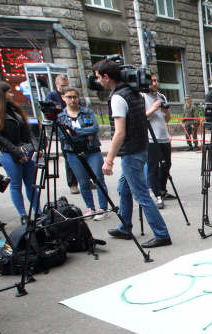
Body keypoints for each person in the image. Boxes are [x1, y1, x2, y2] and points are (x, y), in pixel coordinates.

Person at [93, 58, 171, 248]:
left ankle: (162, 234)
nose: (97, 82)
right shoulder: (134, 92)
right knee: (124, 189)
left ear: (106, 76)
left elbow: (120, 132)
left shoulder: (118, 97)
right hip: (140, 147)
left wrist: (109, 160)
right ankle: (125, 227)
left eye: (98, 78)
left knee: (141, 195)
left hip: (131, 152)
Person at [57, 87, 110, 220]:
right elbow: (62, 136)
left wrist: (74, 133)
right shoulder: (61, 117)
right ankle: (90, 208)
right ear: (63, 97)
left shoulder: (87, 112)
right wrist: (84, 134)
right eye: (69, 97)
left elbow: (95, 128)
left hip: (92, 150)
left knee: (98, 179)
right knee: (83, 182)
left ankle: (102, 208)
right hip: (73, 152)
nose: (72, 99)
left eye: (75, 96)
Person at [0, 81, 39, 225]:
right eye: (9, 92)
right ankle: (23, 215)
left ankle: (38, 212)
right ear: (1, 94)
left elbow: (28, 130)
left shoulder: (15, 109)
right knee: (16, 185)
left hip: (25, 151)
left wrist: (35, 147)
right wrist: (16, 153)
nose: (12, 94)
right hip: (9, 154)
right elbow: (0, 137)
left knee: (31, 184)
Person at [143, 73, 173, 209]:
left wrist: (166, 112)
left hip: (164, 137)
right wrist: (153, 109)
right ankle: (157, 195)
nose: (154, 83)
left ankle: (162, 189)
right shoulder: (142, 97)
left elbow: (167, 119)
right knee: (153, 167)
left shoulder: (161, 96)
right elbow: (141, 117)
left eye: (155, 80)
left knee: (167, 164)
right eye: (151, 81)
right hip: (150, 138)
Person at [47, 74, 80, 194]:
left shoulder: (73, 95)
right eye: (62, 86)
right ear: (56, 85)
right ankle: (72, 183)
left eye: (66, 85)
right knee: (69, 157)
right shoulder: (52, 95)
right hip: (63, 130)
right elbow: (49, 113)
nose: (65, 87)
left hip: (76, 128)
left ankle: (86, 179)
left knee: (83, 155)